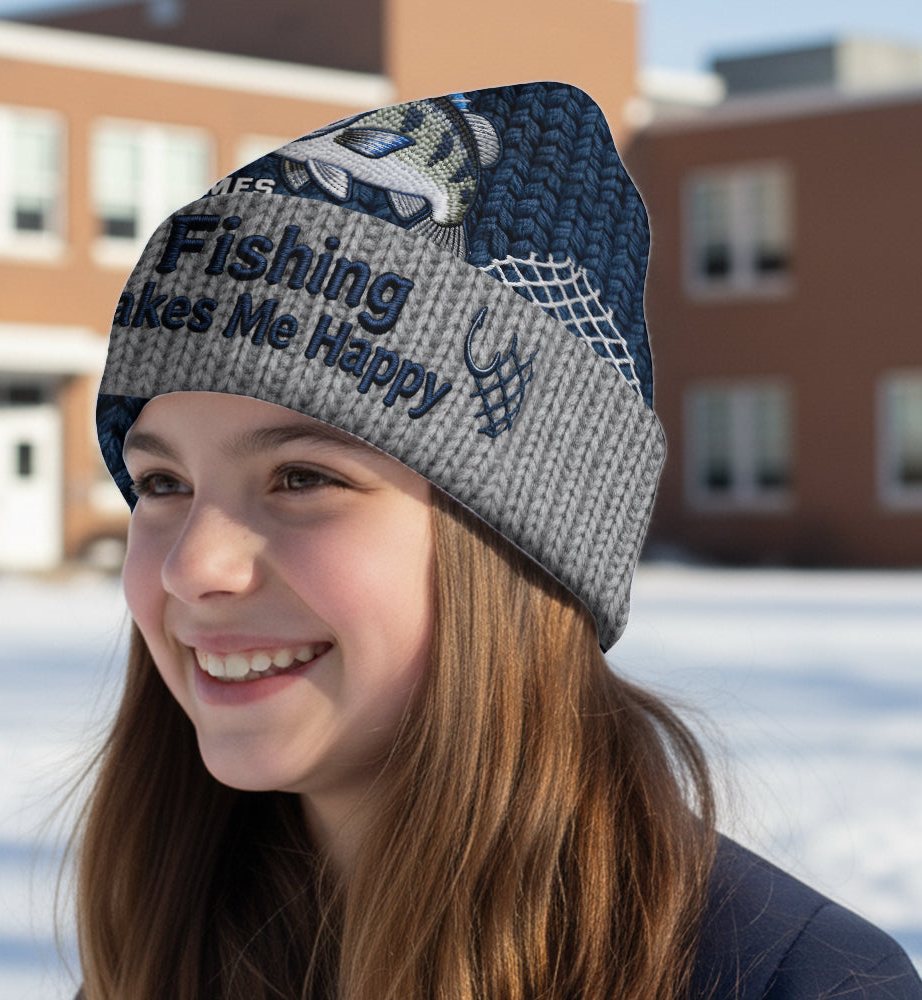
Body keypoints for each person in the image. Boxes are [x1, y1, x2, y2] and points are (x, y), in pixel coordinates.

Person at [82, 82, 921, 1000]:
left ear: (520, 545)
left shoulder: (796, 984)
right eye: (162, 483)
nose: (193, 565)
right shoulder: (166, 947)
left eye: (304, 478)